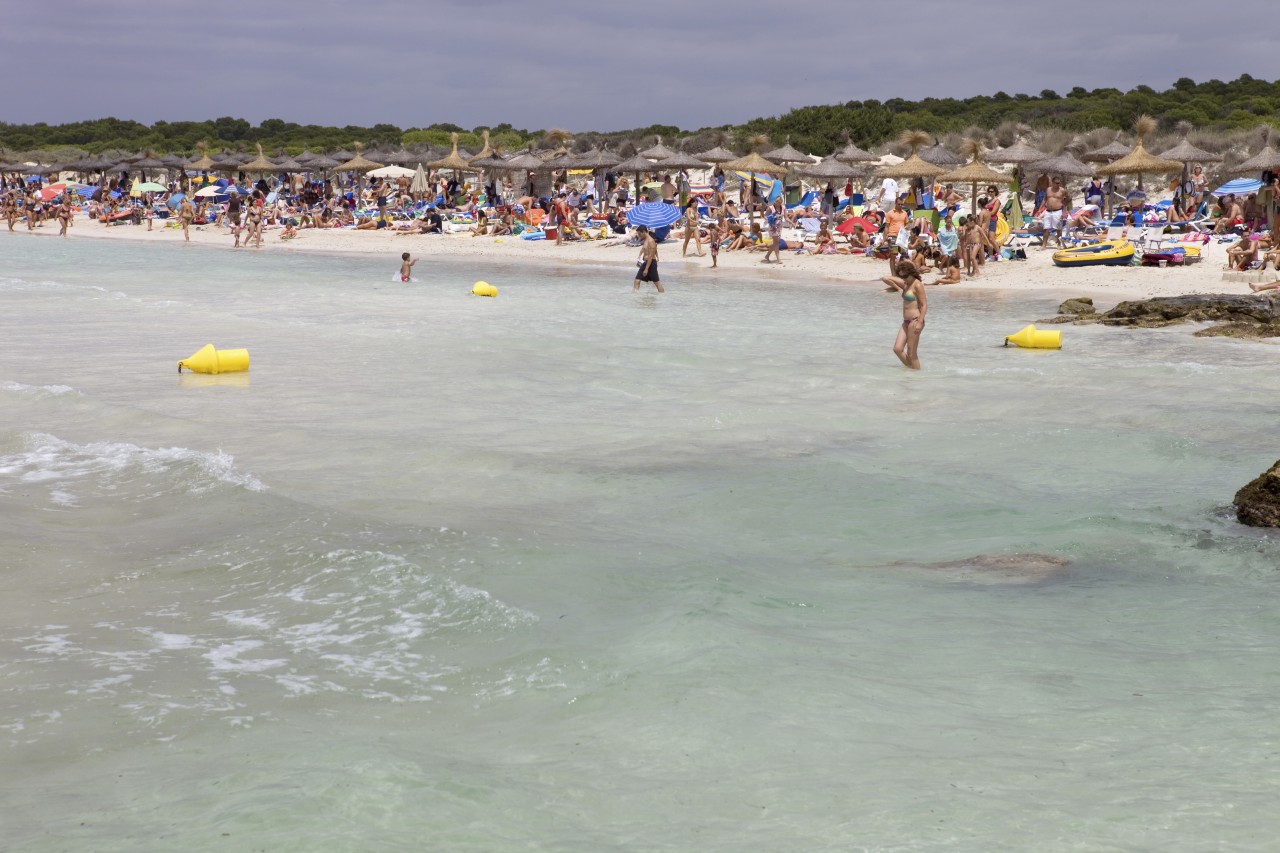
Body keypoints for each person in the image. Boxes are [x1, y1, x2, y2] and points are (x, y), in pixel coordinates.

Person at [880, 260, 926, 370]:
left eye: (905, 276)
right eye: (902, 276)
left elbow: (924, 305)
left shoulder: (917, 285)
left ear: (911, 272)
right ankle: (912, 371)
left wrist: (920, 322)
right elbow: (895, 287)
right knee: (897, 349)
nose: (904, 278)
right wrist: (892, 289)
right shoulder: (906, 284)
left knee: (911, 353)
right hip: (905, 322)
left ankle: (915, 376)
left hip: (915, 320)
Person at [1041, 176, 1069, 248]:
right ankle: (1044, 245)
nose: (1058, 184)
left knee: (1058, 229)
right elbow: (1045, 199)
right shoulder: (1048, 189)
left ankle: (1059, 244)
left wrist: (1064, 205)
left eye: (1059, 183)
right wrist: (1040, 208)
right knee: (1045, 228)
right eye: (1057, 183)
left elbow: (1069, 197)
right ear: (1052, 183)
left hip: (1058, 211)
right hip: (1048, 211)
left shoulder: (1062, 190)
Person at [633, 225, 663, 292]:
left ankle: (662, 296)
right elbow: (644, 249)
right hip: (645, 262)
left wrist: (646, 269)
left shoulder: (651, 241)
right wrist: (640, 256)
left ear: (643, 232)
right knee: (637, 280)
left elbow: (651, 256)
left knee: (657, 282)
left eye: (639, 233)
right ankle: (635, 297)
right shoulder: (646, 240)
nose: (638, 235)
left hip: (651, 263)